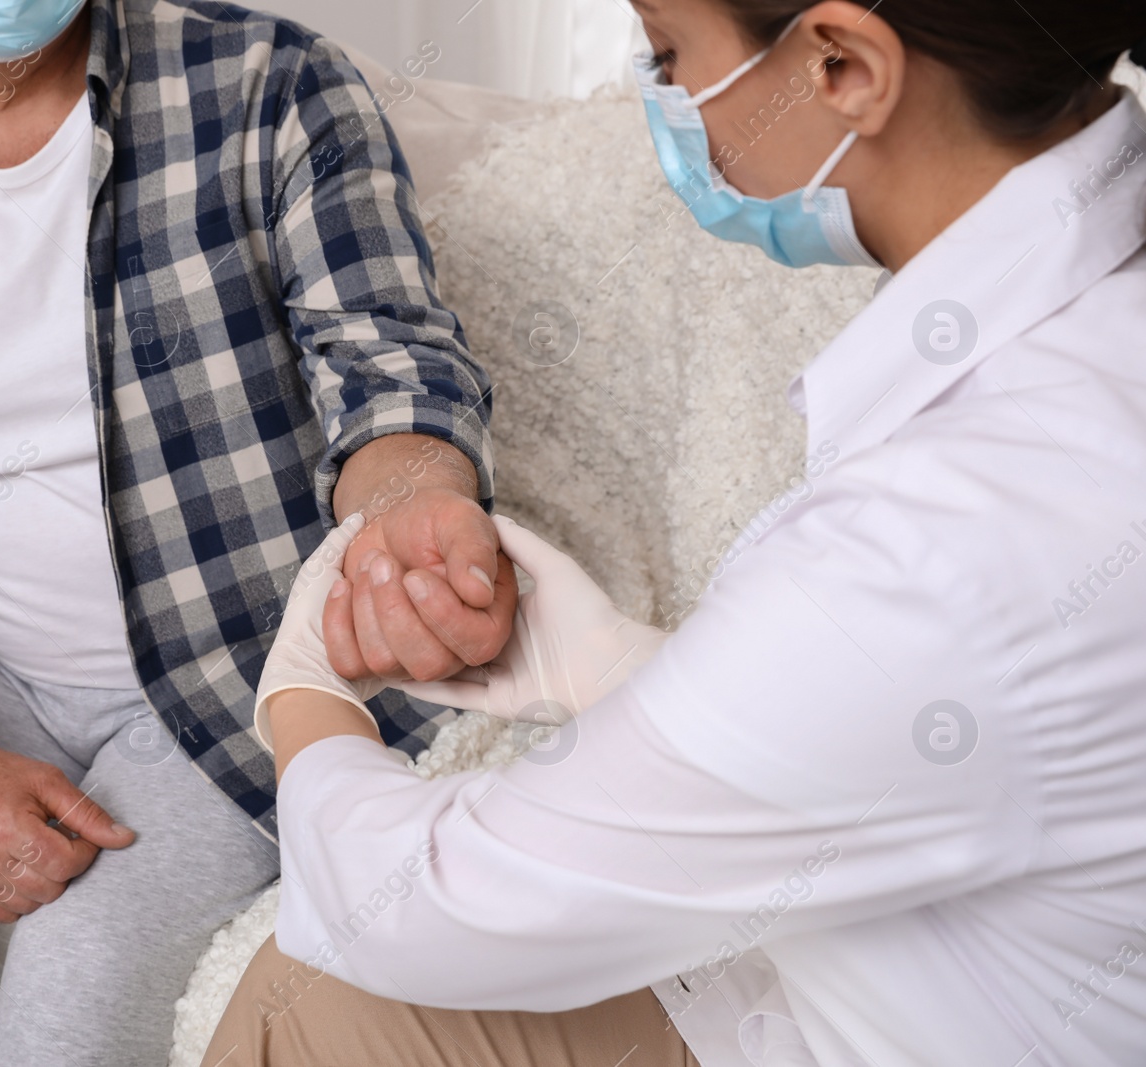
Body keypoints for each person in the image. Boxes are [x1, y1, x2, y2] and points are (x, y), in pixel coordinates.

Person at [204, 1, 1146, 1064]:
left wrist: (304, 697)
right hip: (929, 968)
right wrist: (623, 674)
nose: (658, 100)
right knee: (298, 998)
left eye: (668, 54)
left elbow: (428, 906)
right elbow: (920, 732)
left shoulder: (942, 540)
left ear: (842, 65)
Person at [0, 0, 518, 1064]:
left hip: (248, 667)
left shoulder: (272, 82)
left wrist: (411, 509)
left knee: (65, 1023)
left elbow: (390, 362)